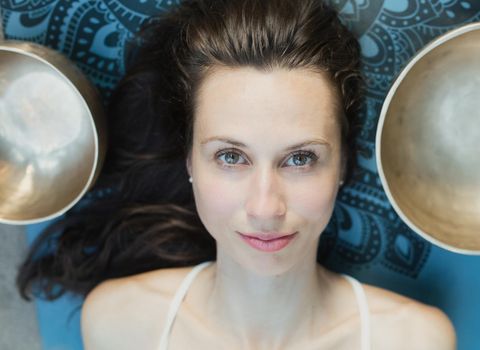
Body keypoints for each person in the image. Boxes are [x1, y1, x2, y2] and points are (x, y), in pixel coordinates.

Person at [17, 0, 456, 349]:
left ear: (342, 164)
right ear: (189, 159)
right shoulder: (119, 323)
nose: (265, 207)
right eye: (230, 157)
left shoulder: (414, 340)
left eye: (300, 159)